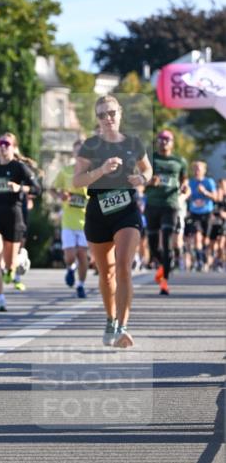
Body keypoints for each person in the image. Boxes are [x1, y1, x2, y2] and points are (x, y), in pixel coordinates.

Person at [73, 95, 152, 347]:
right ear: (97, 119)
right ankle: (110, 319)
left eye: (111, 113)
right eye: (102, 114)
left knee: (123, 267)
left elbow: (148, 169)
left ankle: (122, 326)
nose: (107, 118)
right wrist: (101, 171)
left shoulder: (133, 143)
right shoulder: (90, 146)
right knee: (106, 273)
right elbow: (77, 181)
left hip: (126, 210)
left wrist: (143, 179)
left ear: (120, 114)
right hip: (98, 211)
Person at [0, 133, 37, 311]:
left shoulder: (20, 168)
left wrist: (19, 187)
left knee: (9, 263)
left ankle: (19, 261)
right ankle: (0, 298)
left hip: (14, 215)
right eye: (1, 143)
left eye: (7, 144)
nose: (3, 147)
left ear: (14, 147)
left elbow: (38, 189)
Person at [145, 130, 188, 295]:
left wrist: (184, 187)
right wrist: (149, 181)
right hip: (152, 204)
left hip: (170, 205)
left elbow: (184, 180)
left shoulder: (179, 161)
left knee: (168, 241)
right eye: (161, 139)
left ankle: (165, 282)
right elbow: (139, 179)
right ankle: (163, 266)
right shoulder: (151, 159)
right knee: (153, 245)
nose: (163, 142)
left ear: (172, 142)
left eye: (167, 139)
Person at [52, 139, 89, 299]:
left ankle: (81, 285)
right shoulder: (66, 171)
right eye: (77, 151)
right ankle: (70, 268)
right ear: (74, 153)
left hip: (86, 221)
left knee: (82, 254)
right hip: (68, 220)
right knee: (70, 255)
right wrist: (61, 195)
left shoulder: (93, 172)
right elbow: (53, 189)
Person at [186, 161, 218, 271]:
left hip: (207, 213)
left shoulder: (209, 182)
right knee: (197, 237)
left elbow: (216, 197)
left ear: (204, 170)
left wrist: (204, 192)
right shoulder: (190, 182)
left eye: (199, 169)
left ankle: (205, 257)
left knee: (206, 240)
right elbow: (187, 195)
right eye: (195, 169)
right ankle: (200, 261)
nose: (196, 171)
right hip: (195, 213)